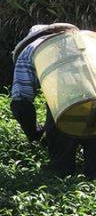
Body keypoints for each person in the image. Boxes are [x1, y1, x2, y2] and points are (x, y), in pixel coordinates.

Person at [10, 23, 96, 177]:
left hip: (65, 107)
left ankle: (61, 184)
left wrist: (34, 133)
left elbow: (21, 101)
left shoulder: (30, 50)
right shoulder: (81, 41)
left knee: (61, 170)